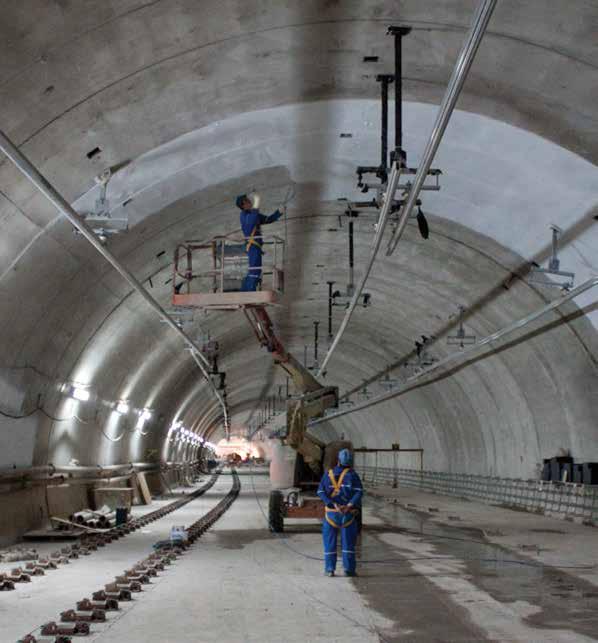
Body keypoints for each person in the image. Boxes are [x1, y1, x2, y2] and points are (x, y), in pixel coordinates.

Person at [317, 448, 363, 577]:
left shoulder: (328, 474)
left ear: (338, 461)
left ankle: (329, 569)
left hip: (331, 514)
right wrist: (349, 505)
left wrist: (331, 503)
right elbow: (359, 492)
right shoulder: (353, 475)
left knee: (329, 542)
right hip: (347, 514)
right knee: (348, 543)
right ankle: (349, 570)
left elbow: (320, 492)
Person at [235, 194, 284, 292]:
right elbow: (252, 219)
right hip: (252, 247)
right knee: (254, 271)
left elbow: (267, 219)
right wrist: (257, 201)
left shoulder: (253, 214)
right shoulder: (244, 216)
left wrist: (279, 212)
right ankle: (248, 292)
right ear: (243, 204)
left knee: (256, 270)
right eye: (248, 200)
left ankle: (248, 291)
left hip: (256, 247)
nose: (250, 201)